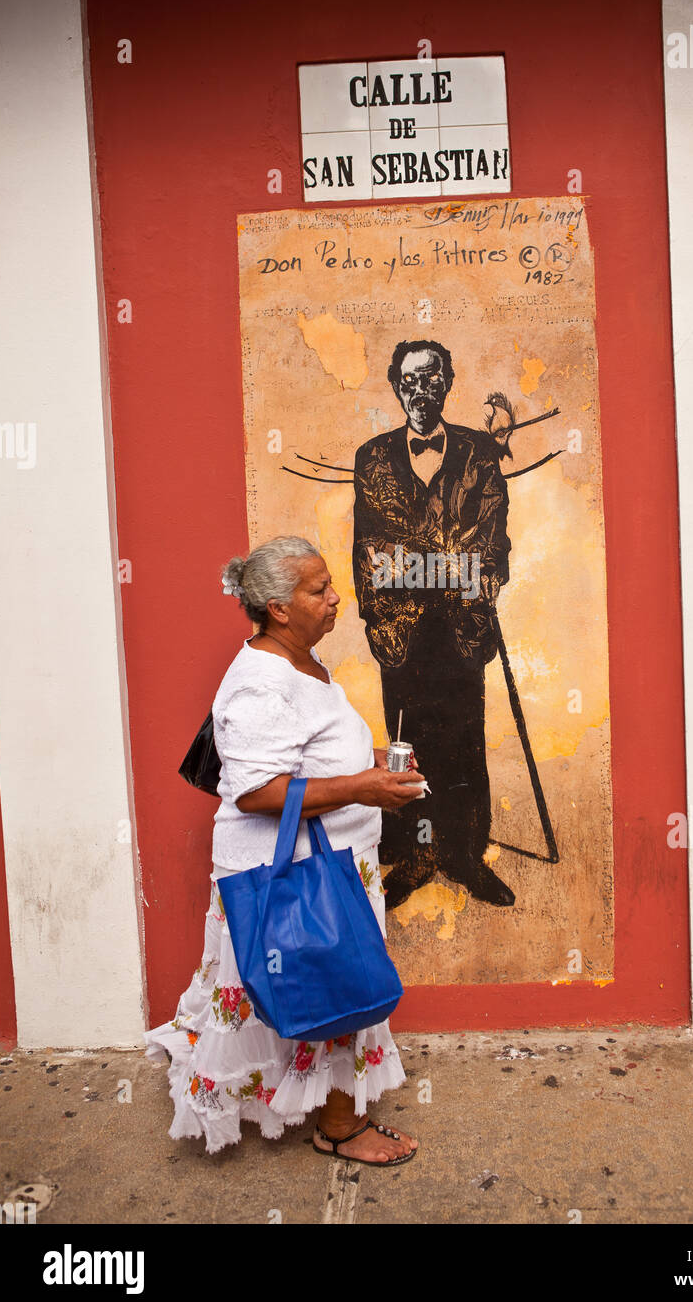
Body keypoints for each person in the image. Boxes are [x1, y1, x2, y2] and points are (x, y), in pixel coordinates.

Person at [145, 535, 424, 1162]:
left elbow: (305, 755)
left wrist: (376, 766)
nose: (334, 598)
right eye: (318, 589)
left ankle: (329, 1114)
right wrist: (364, 786)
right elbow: (256, 792)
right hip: (296, 874)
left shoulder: (303, 663)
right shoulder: (257, 683)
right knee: (329, 990)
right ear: (277, 606)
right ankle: (342, 1127)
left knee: (321, 992)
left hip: (329, 866)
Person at [352, 340, 514, 909]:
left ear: (447, 384)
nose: (422, 390)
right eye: (410, 380)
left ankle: (465, 854)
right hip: (401, 631)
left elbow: (493, 539)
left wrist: (478, 577)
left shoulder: (479, 453)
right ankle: (417, 853)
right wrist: (382, 609)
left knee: (465, 741)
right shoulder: (372, 458)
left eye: (433, 378)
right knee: (407, 746)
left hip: (463, 627)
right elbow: (372, 550)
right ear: (397, 387)